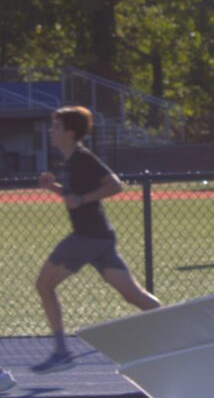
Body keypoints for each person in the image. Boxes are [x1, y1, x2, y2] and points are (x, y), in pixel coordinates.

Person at [33, 106, 160, 373]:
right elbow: (73, 198)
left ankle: (61, 352)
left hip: (87, 238)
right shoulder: (70, 162)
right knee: (133, 295)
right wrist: (53, 188)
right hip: (99, 238)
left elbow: (115, 184)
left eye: (56, 127)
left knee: (44, 285)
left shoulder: (83, 158)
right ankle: (178, 332)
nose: (51, 131)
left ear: (69, 132)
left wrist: (82, 199)